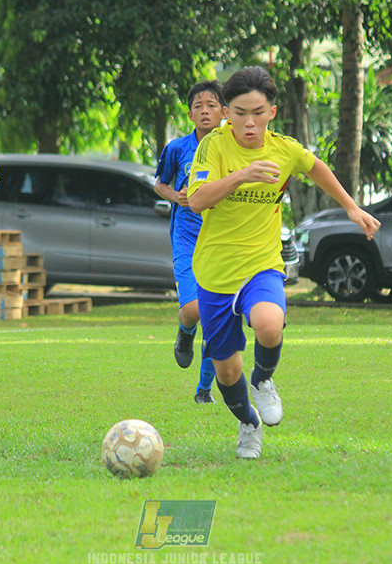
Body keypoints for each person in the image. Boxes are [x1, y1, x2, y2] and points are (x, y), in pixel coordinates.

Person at [187, 66, 380, 459]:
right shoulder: (213, 147)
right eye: (239, 113)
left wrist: (351, 207)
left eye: (257, 112)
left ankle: (263, 379)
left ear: (272, 112)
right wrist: (242, 175)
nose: (249, 122)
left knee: (269, 326)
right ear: (226, 113)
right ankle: (248, 423)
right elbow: (197, 199)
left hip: (262, 261)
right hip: (215, 269)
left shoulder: (284, 147)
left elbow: (316, 168)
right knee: (225, 371)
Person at [154, 80, 227, 404]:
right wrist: (177, 197)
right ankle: (185, 334)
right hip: (186, 236)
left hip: (222, 238)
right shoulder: (176, 148)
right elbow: (160, 184)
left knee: (217, 315)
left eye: (211, 105)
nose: (205, 111)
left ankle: (204, 389)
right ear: (189, 114)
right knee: (195, 309)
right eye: (198, 106)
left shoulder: (232, 147)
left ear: (224, 111)